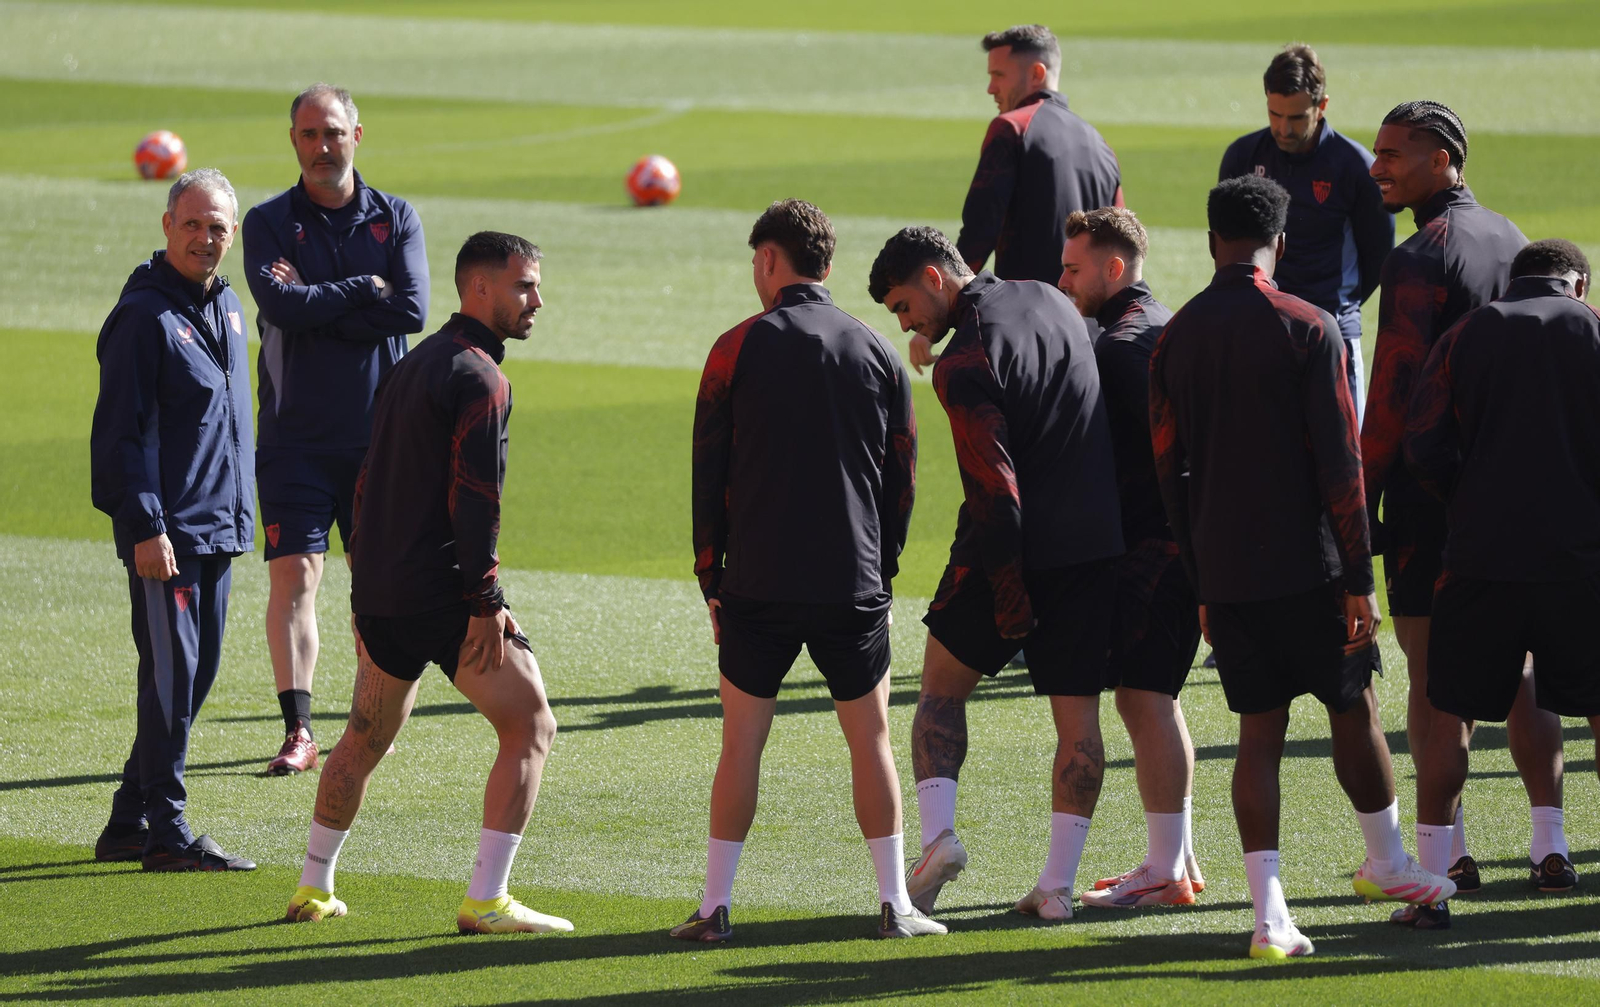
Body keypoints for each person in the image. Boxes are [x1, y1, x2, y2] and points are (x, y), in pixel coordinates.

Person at [1149, 175, 1455, 960]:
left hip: (1226, 574)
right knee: (1353, 708)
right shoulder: (1309, 326)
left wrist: (1202, 582)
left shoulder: (1175, 337)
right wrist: (1358, 577)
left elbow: (1168, 471)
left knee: (1259, 733)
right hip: (1312, 569)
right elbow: (1341, 464)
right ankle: (1387, 861)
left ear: (1211, 240)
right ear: (1280, 243)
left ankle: (1270, 916)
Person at [284, 232, 569, 936]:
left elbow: (367, 482)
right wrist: (485, 602)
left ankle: (314, 886)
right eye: (524, 285)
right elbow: (477, 500)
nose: (537, 299)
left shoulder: (412, 364)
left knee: (362, 738)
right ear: (480, 288)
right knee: (531, 725)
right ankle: (487, 899)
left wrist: (364, 590)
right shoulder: (481, 378)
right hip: (446, 594)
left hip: (384, 593)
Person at [676, 200, 933, 942]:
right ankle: (895, 904)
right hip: (852, 580)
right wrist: (882, 570)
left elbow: (707, 472)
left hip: (756, 582)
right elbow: (902, 479)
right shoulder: (877, 350)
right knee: (871, 741)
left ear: (768, 260)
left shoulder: (735, 348)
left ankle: (715, 908)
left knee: (740, 745)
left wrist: (711, 579)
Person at [869, 225, 1123, 923]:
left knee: (940, 690)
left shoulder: (964, 362)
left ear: (934, 277)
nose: (906, 324)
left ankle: (939, 838)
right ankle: (1058, 887)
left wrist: (1009, 595)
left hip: (1008, 548)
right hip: (1093, 541)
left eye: (903, 305)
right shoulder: (1051, 296)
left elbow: (997, 490)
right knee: (1079, 719)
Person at [1363, 100, 1564, 909]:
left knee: (1434, 678)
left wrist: (1357, 499)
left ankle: (1447, 856)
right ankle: (1550, 844)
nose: (1377, 167)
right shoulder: (1514, 239)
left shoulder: (1420, 255)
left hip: (1433, 499)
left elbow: (1394, 392)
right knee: (1523, 671)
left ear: (1443, 159)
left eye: (1393, 155)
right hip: (1519, 498)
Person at [1401, 239, 1600, 929]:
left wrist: (1470, 498)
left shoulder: (1467, 333)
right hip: (1581, 561)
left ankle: (1432, 888)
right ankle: (1554, 848)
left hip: (1480, 559)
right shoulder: (1593, 327)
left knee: (1451, 716)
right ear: (1578, 284)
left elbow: (1422, 443)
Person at [243, 82, 429, 776]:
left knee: (376, 584)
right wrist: (363, 289)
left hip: (380, 437)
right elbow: (280, 308)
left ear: (357, 134)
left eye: (333, 132)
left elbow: (411, 310)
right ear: (294, 140)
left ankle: (369, 717)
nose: (322, 146)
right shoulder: (266, 222)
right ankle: (298, 730)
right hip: (292, 438)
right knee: (294, 577)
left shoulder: (395, 217)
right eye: (309, 134)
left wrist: (315, 302)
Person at [89, 168, 257, 871]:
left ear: (233, 233)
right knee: (172, 679)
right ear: (167, 226)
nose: (204, 238)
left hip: (218, 527)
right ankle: (168, 831)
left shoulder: (227, 305)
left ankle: (127, 820)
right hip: (168, 534)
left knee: (192, 675)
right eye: (191, 224)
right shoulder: (143, 317)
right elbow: (118, 437)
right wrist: (145, 525)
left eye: (217, 227)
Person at [1054, 209, 1205, 910]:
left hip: (1154, 546)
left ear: (1113, 269)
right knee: (1154, 699)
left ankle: (1165, 869)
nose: (1063, 281)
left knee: (1143, 698)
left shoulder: (1117, 348)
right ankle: (1178, 858)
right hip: (1181, 543)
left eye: (1073, 268)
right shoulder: (1165, 323)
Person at [908, 24, 1123, 376]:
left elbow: (980, 231)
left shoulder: (1011, 127)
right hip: (1090, 340)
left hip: (1030, 333)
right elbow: (1123, 243)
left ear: (1036, 73)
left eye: (999, 75)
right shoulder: (1101, 146)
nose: (991, 88)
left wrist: (936, 315)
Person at [1218, 43, 1393, 418]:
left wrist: (1335, 304)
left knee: (1346, 444)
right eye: (1275, 114)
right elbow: (1227, 245)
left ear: (1322, 105)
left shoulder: (1355, 168)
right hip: (1258, 326)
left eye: (1297, 117)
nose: (1283, 128)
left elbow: (1378, 256)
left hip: (1332, 331)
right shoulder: (1242, 157)